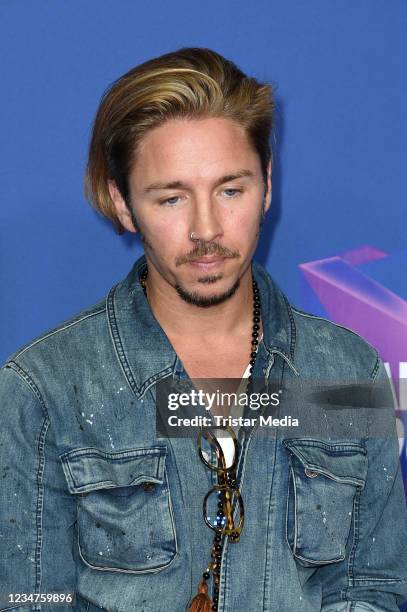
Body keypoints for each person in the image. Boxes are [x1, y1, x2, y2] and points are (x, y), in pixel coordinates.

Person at [1, 47, 406, 612]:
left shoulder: (345, 371)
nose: (206, 229)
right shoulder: (42, 390)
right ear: (122, 204)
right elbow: (26, 600)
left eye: (230, 190)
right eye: (171, 198)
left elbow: (374, 587)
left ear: (267, 182)